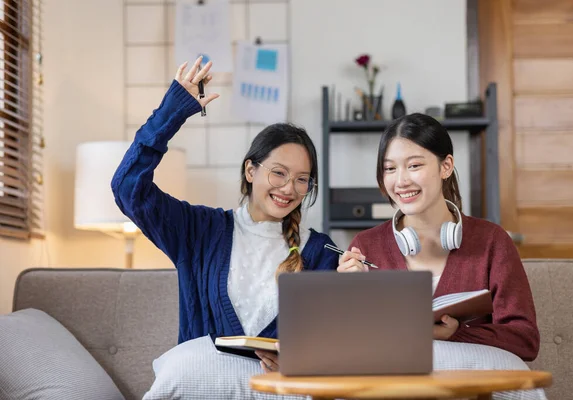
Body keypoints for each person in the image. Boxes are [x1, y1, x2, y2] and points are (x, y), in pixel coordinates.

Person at [111, 56, 338, 378]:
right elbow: (127, 187)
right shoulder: (199, 232)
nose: (289, 188)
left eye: (302, 179)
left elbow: (331, 345)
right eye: (279, 173)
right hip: (204, 385)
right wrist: (170, 114)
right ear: (250, 170)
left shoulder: (321, 252)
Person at [337, 113, 540, 362]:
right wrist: (348, 296)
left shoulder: (492, 241)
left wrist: (458, 333)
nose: (400, 181)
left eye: (414, 165)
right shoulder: (365, 247)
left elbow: (525, 339)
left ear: (446, 166)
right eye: (390, 168)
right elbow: (349, 345)